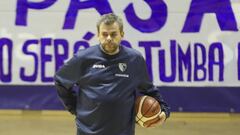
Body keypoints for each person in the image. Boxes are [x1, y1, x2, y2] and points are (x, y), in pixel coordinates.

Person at [54, 13, 170, 135]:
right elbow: (60, 81)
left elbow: (149, 90)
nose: (109, 38)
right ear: (98, 35)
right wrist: (74, 108)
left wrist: (164, 110)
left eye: (113, 34)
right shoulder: (83, 58)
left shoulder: (134, 59)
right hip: (88, 131)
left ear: (122, 34)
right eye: (104, 34)